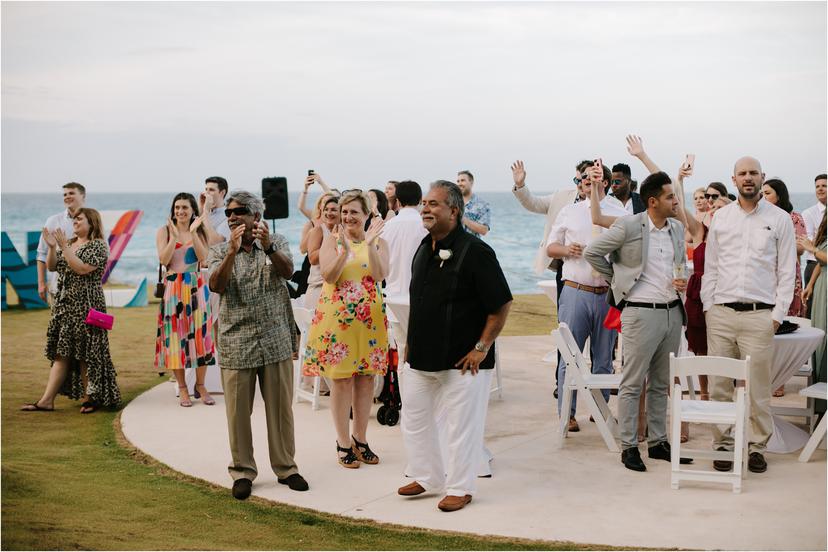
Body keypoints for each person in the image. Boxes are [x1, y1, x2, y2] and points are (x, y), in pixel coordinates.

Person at [397, 180, 511, 513]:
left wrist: (481, 346)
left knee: (462, 428)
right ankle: (427, 475)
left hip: (463, 360)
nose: (426, 209)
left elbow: (501, 304)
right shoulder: (423, 246)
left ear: (454, 211)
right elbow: (420, 301)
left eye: (433, 204)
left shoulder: (476, 252)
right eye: (424, 204)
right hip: (421, 356)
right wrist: (409, 343)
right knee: (414, 419)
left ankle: (460, 487)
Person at [585, 172, 693, 471]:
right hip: (639, 312)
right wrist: (618, 282)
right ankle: (629, 446)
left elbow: (680, 263)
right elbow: (593, 252)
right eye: (671, 196)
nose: (676, 201)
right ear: (653, 201)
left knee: (661, 383)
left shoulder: (675, 227)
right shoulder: (629, 225)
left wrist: (682, 281)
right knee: (632, 383)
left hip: (672, 311)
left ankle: (658, 442)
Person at [208, 190, 308, 499]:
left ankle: (286, 468)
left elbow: (289, 272)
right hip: (236, 341)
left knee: (280, 411)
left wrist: (266, 247)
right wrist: (231, 253)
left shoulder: (275, 243)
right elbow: (216, 285)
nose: (232, 217)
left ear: (256, 217)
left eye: (239, 211)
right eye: (228, 213)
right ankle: (242, 471)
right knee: (238, 414)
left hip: (275, 338)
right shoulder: (219, 250)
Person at [701, 156, 796, 475]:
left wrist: (777, 314)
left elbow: (787, 269)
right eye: (742, 173)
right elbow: (711, 266)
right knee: (719, 386)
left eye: (753, 173)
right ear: (734, 179)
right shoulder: (721, 218)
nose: (748, 178)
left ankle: (757, 447)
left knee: (758, 388)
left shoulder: (780, 219)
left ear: (762, 177)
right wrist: (708, 307)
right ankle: (724, 447)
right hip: (722, 314)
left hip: (760, 316)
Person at [303, 191, 390, 468]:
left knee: (365, 381)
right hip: (338, 321)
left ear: (366, 215)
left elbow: (379, 275)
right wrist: (345, 252)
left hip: (369, 321)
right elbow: (329, 275)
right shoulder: (332, 240)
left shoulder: (379, 242)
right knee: (341, 382)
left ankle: (361, 439)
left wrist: (369, 243)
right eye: (344, 212)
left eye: (354, 212)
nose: (348, 217)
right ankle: (343, 442)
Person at [546, 160, 627, 432]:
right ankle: (566, 413)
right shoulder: (569, 211)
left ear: (604, 181)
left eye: (591, 177)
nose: (584, 182)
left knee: (604, 357)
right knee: (569, 354)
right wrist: (567, 250)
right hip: (575, 291)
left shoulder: (620, 211)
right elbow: (551, 248)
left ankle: (600, 410)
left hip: (608, 294)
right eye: (581, 178)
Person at [23, 208, 121, 413]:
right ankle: (46, 401)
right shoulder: (68, 243)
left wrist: (63, 247)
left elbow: (82, 268)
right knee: (61, 353)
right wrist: (52, 248)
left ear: (91, 223)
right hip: (65, 305)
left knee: (86, 353)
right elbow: (52, 267)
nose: (75, 222)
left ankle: (90, 398)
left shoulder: (98, 245)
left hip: (87, 306)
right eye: (74, 219)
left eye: (79, 219)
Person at [154, 193, 216, 407]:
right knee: (175, 338)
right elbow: (163, 259)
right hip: (173, 286)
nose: (180, 211)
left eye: (185, 208)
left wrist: (192, 233)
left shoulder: (199, 230)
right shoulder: (163, 231)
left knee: (201, 335)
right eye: (177, 207)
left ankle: (200, 385)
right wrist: (173, 237)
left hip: (196, 286)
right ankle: (182, 387)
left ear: (192, 211)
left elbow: (202, 257)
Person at [36, 182, 86, 302]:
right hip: (59, 287)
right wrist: (41, 283)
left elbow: (103, 251)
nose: (67, 196)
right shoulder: (53, 221)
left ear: (83, 196)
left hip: (86, 288)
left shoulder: (93, 220)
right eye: (64, 194)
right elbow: (42, 254)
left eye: (71, 193)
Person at [381, 180, 427, 297]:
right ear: (420, 200)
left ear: (398, 201)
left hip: (391, 295)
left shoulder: (386, 227)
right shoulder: (427, 227)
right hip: (420, 295)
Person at [801, 214, 826, 417]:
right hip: (822, 288)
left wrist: (812, 249)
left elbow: (820, 254)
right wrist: (810, 285)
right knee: (821, 337)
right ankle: (819, 407)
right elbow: (821, 261)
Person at [802, 174, 827, 316]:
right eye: (817, 186)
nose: (820, 189)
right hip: (814, 265)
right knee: (813, 308)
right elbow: (809, 242)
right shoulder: (809, 213)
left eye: (824, 186)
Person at [456, 170, 491, 237]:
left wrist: (462, 218)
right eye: (458, 181)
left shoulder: (482, 205)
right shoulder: (452, 202)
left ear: (471, 182)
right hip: (452, 246)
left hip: (471, 246)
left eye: (463, 180)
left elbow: (484, 230)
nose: (459, 183)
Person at [200, 176, 231, 243]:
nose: (206, 193)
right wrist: (201, 207)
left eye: (211, 190)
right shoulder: (206, 213)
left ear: (222, 193)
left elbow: (214, 242)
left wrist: (206, 210)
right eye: (206, 189)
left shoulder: (227, 216)